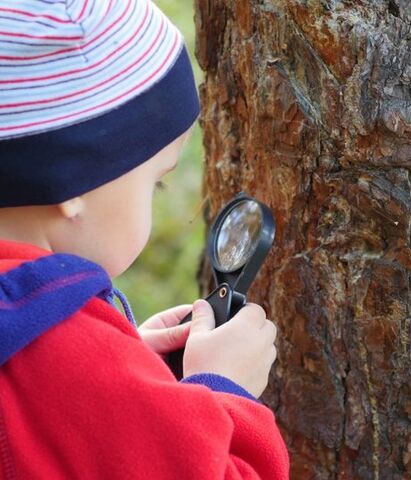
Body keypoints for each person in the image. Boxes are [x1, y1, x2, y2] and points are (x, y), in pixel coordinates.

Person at [0, 1, 289, 478]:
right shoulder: (69, 363)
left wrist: (125, 365)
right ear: (72, 185)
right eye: (155, 182)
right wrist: (222, 391)